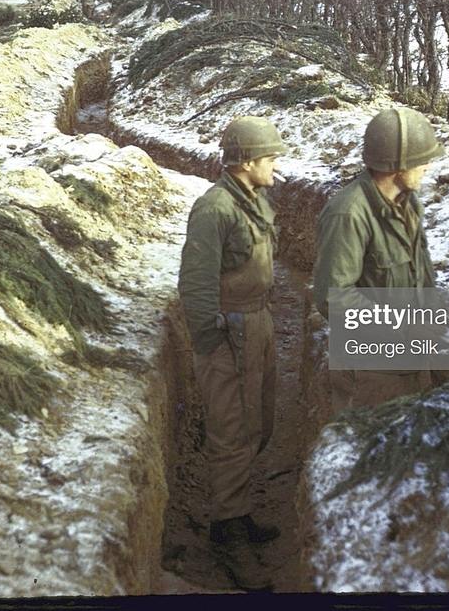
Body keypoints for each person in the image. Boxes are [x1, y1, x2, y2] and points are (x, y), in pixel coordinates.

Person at [177, 115, 286, 590]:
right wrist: (212, 344)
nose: (276, 166)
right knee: (230, 433)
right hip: (229, 334)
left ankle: (237, 515)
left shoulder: (255, 201)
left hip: (257, 324)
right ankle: (225, 533)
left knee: (256, 422)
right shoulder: (214, 209)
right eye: (270, 158)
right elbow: (196, 285)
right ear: (246, 162)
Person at [312, 106, 445, 413]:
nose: (427, 166)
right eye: (422, 159)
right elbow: (334, 298)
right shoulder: (349, 213)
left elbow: (421, 276)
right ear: (399, 164)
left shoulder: (408, 205)